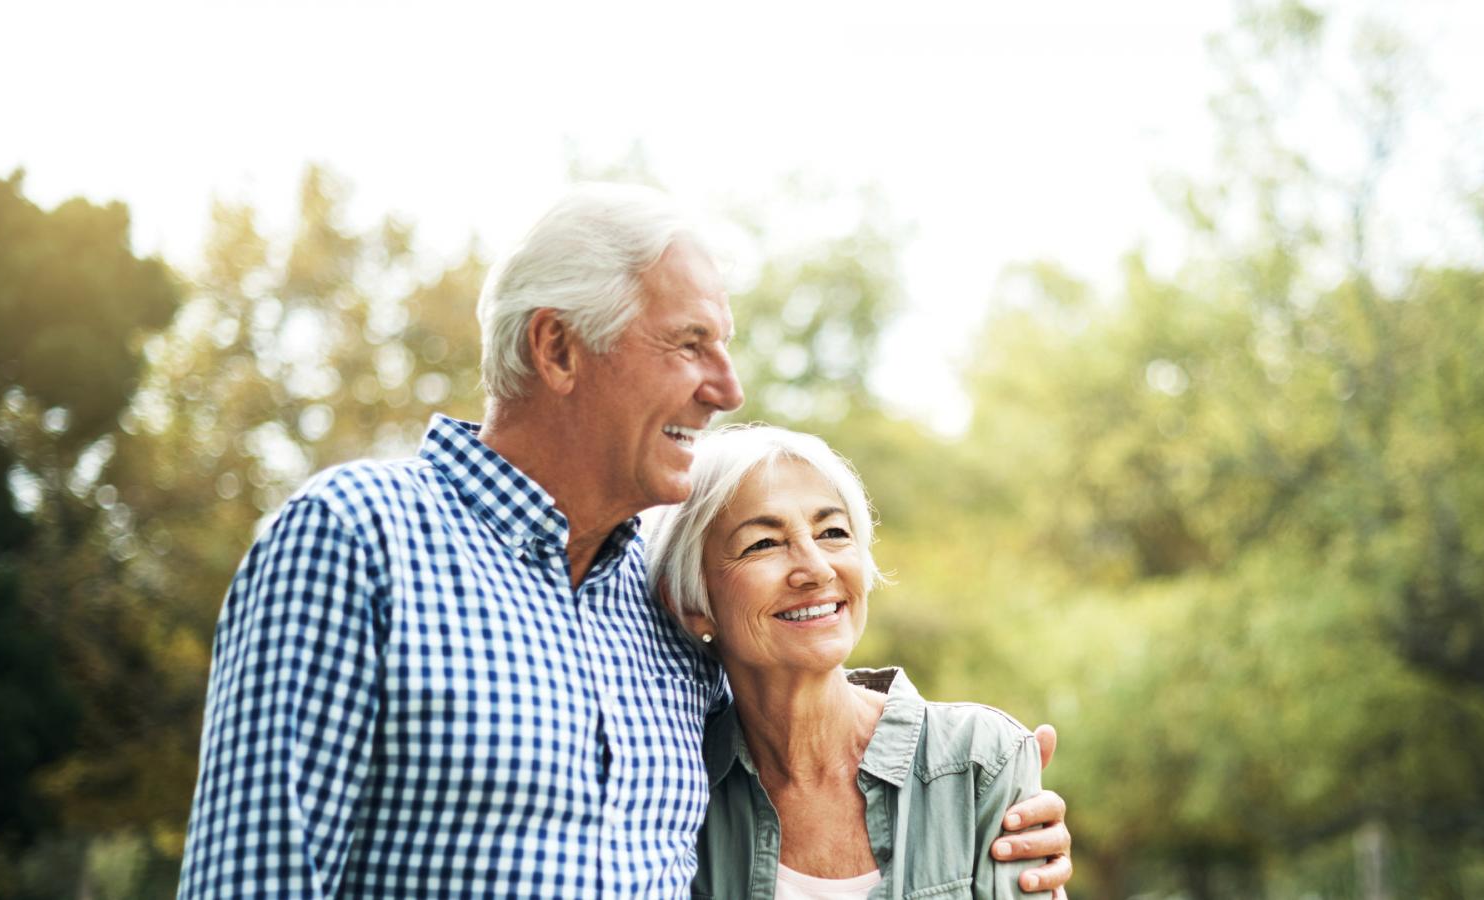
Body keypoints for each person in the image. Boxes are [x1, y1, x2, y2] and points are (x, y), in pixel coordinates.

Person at [177, 184, 1072, 898]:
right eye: (690, 345)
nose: (727, 388)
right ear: (558, 349)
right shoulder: (356, 540)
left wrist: (982, 791)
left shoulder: (658, 603)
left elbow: (805, 707)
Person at [647, 425, 1050, 899]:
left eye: (833, 532)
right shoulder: (675, 791)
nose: (817, 569)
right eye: (763, 543)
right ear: (690, 604)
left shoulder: (981, 760)